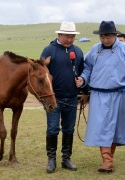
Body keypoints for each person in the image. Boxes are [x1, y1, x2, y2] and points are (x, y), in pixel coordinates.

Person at [76, 21, 125, 173]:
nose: (105, 39)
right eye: (102, 36)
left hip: (119, 94)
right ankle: (107, 160)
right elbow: (87, 67)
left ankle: (109, 158)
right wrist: (84, 78)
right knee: (101, 126)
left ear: (114, 35)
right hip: (99, 94)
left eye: (108, 36)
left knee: (115, 127)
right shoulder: (95, 50)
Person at [40, 22, 88, 173]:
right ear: (59, 35)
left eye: (72, 36)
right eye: (67, 36)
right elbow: (40, 74)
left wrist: (83, 83)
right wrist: (43, 65)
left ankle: (66, 159)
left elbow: (83, 71)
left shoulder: (78, 52)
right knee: (53, 129)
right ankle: (51, 160)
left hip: (72, 98)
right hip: (54, 99)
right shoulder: (49, 50)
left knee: (69, 129)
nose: (70, 39)